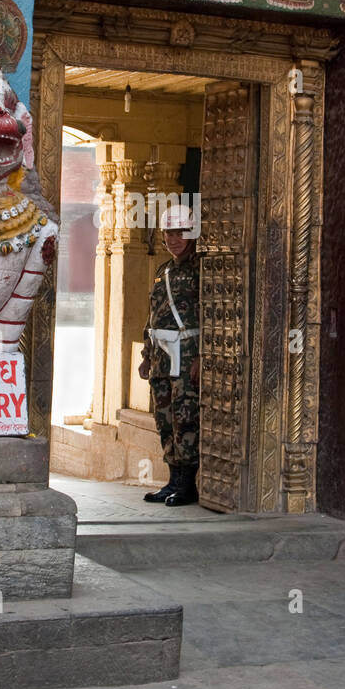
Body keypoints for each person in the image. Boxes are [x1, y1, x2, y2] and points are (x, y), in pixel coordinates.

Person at [139, 205, 201, 506]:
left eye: (180, 233)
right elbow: (152, 317)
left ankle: (187, 484)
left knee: (185, 418)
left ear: (192, 235)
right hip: (161, 357)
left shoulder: (200, 268)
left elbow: (211, 316)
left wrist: (202, 357)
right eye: (169, 233)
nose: (173, 239)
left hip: (187, 355)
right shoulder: (162, 271)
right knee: (164, 419)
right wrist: (146, 355)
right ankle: (172, 479)